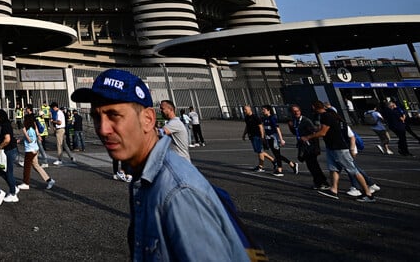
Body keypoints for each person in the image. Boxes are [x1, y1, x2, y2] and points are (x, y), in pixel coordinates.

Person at [72, 69, 249, 261]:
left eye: (114, 115)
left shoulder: (179, 194)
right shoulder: (144, 175)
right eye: (97, 117)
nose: (103, 129)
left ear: (148, 119)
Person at [302, 101, 375, 202]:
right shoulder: (326, 116)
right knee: (333, 169)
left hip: (339, 147)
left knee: (353, 170)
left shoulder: (325, 116)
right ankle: (333, 190)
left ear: (314, 107)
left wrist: (308, 137)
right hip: (332, 147)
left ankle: (368, 193)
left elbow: (323, 132)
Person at [286, 104, 329, 190]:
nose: (296, 113)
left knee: (314, 165)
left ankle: (323, 182)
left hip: (310, 146)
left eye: (297, 111)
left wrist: (315, 147)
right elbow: (296, 132)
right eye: (294, 111)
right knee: (310, 165)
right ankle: (318, 181)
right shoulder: (295, 121)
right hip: (303, 146)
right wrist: (291, 127)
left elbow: (314, 133)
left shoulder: (306, 121)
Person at [19, 113, 54, 190]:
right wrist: (21, 139)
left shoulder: (28, 129)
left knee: (27, 167)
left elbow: (29, 139)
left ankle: (26, 183)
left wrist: (24, 131)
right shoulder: (32, 127)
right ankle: (49, 180)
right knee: (36, 166)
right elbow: (34, 134)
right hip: (35, 149)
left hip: (30, 150)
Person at [261, 105, 297, 176]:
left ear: (268, 110)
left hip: (274, 138)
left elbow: (277, 129)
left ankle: (280, 170)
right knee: (277, 155)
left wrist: (281, 139)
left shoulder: (272, 118)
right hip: (269, 138)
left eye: (264, 109)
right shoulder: (265, 118)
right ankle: (292, 164)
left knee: (277, 154)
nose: (262, 111)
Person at [0, 109, 20, 202]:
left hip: (10, 150)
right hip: (10, 149)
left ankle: (13, 193)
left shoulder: (5, 126)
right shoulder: (6, 125)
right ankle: (13, 187)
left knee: (8, 172)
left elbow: (7, 139)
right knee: (2, 171)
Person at [242, 105, 275, 172]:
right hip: (251, 136)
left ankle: (261, 166)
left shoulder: (255, 117)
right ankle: (273, 161)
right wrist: (244, 134)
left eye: (245, 109)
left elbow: (261, 127)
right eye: (244, 109)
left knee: (260, 151)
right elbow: (247, 126)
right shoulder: (246, 118)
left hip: (257, 136)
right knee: (259, 151)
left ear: (250, 109)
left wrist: (262, 136)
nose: (244, 111)